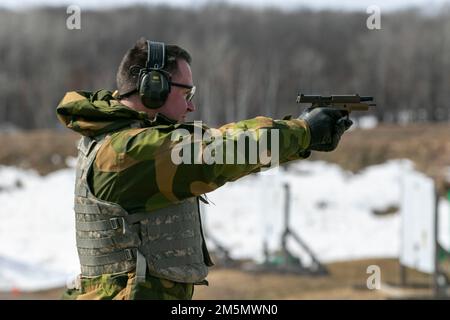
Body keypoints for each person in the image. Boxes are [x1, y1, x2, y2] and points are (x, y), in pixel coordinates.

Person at [56, 38, 352, 300]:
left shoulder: (125, 141)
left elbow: (221, 150)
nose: (191, 107)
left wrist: (297, 135)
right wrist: (301, 133)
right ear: (153, 88)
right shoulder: (127, 152)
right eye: (186, 94)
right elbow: (218, 152)